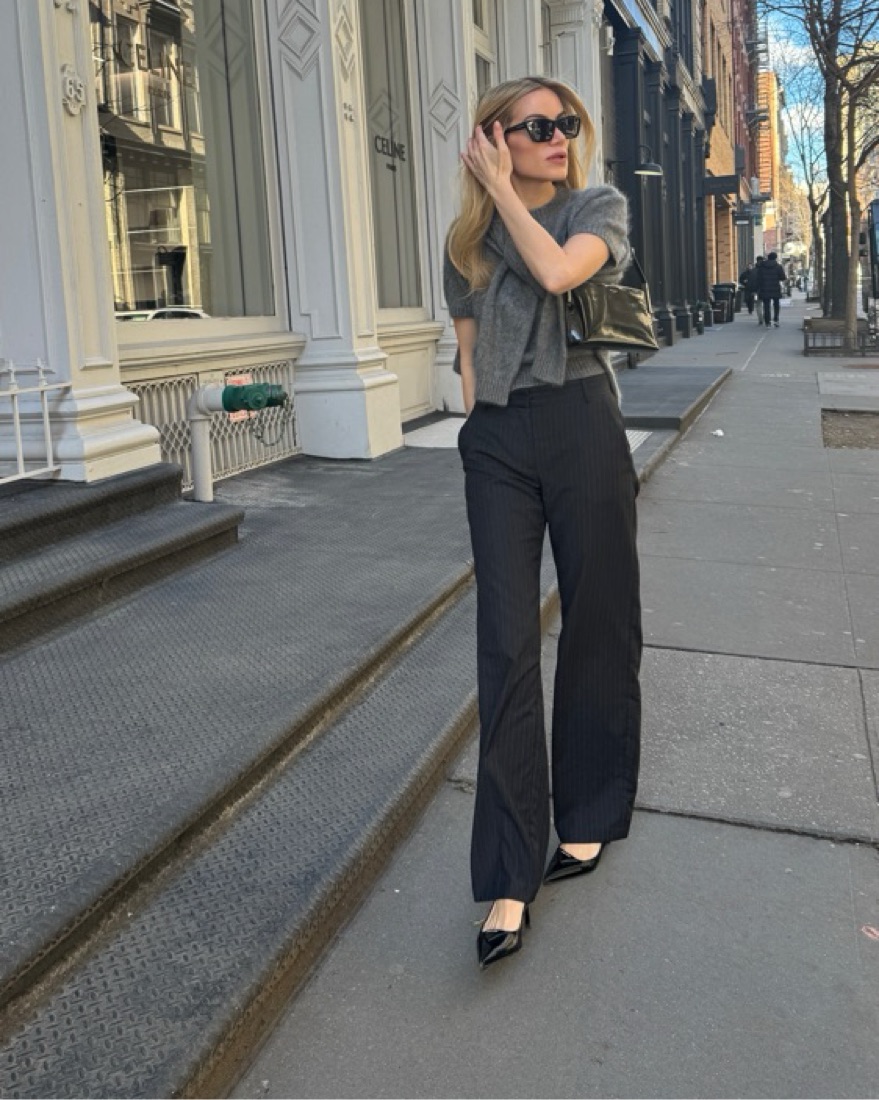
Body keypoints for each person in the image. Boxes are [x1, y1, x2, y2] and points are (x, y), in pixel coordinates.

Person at [443, 76, 641, 970]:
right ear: (495, 137)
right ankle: (508, 875)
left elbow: (560, 273)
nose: (558, 136)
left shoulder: (595, 207)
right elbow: (467, 356)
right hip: (498, 438)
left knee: (598, 618)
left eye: (566, 123)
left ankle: (589, 810)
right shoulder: (464, 241)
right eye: (537, 125)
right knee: (504, 644)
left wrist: (502, 194)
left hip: (580, 422)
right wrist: (478, 429)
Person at [757, 251, 787, 327]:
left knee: (766, 305)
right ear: (775, 258)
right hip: (775, 288)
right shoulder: (778, 267)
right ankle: (776, 319)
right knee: (776, 304)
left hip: (765, 288)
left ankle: (767, 322)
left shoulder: (762, 266)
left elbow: (759, 277)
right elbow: (783, 277)